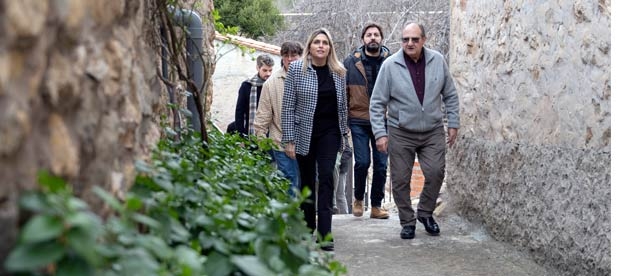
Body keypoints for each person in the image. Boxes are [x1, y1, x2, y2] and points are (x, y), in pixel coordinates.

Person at [370, 23, 459, 240]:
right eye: (405, 39)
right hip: (401, 131)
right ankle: (407, 221)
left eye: (414, 39)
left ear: (424, 40)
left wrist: (454, 123)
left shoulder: (437, 60)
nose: (409, 43)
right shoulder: (390, 66)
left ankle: (425, 213)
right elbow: (377, 103)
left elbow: (450, 94)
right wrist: (381, 133)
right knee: (400, 180)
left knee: (437, 171)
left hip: (432, 130)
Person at [281, 28, 348, 251]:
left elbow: (343, 109)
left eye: (325, 43)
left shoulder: (338, 72)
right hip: (304, 133)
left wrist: (343, 138)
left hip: (330, 133)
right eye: (317, 42)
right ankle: (308, 226)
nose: (321, 46)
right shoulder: (297, 71)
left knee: (327, 177)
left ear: (330, 48)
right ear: (309, 46)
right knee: (307, 182)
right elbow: (288, 107)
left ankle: (325, 233)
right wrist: (288, 139)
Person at [343, 22, 391, 219]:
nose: (373, 38)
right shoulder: (350, 63)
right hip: (358, 119)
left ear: (381, 39)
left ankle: (376, 206)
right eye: (369, 35)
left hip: (384, 120)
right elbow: (343, 93)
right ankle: (358, 200)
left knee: (381, 165)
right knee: (362, 162)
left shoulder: (392, 62)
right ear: (363, 39)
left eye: (376, 35)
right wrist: (344, 119)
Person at [254, 42, 304, 195]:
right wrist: (262, 142)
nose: (290, 59)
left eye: (293, 55)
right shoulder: (271, 83)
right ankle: (291, 217)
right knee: (289, 181)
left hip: (307, 142)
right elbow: (263, 114)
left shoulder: (310, 77)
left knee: (306, 182)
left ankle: (305, 216)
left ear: (300, 56)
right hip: (280, 141)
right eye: (286, 56)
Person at [233, 54, 275, 136]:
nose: (268, 74)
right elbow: (239, 112)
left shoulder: (274, 86)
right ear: (258, 68)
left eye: (270, 70)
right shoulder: (247, 86)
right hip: (250, 132)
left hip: (271, 134)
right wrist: (240, 135)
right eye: (265, 70)